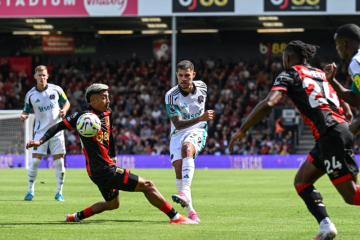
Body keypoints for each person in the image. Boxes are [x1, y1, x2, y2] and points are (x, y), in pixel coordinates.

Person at [229, 41, 357, 240]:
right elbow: (347, 110)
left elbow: (269, 102)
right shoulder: (322, 75)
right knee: (302, 181)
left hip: (330, 135)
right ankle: (326, 226)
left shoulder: (288, 73)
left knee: (352, 197)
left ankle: (326, 225)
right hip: (336, 132)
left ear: (287, 58)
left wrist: (242, 130)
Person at [26, 83, 197, 224]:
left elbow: (111, 137)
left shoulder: (107, 114)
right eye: (104, 97)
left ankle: (75, 217)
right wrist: (40, 141)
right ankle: (175, 217)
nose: (108, 100)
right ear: (92, 100)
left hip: (102, 169)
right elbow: (58, 126)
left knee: (113, 204)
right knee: (148, 185)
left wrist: (114, 158)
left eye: (108, 96)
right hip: (102, 169)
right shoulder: (83, 116)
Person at [165, 60, 214, 222]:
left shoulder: (202, 87)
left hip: (198, 129)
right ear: (176, 76)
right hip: (178, 131)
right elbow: (177, 124)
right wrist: (201, 116)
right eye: (180, 76)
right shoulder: (171, 96)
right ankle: (191, 212)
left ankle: (185, 192)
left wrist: (201, 120)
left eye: (187, 75)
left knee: (187, 148)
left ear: (193, 75)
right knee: (179, 169)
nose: (184, 79)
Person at [21, 65, 70, 201]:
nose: (42, 77)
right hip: (40, 133)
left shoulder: (57, 89)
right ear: (35, 76)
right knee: (35, 162)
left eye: (44, 75)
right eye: (39, 75)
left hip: (57, 132)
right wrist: (24, 115)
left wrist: (64, 110)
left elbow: (66, 103)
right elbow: (26, 110)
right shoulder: (30, 95)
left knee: (60, 163)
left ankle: (59, 193)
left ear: (47, 76)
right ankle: (30, 191)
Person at [324, 23, 360, 134]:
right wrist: (332, 81)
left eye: (337, 44)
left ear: (344, 45)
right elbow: (355, 100)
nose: (336, 48)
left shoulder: (356, 63)